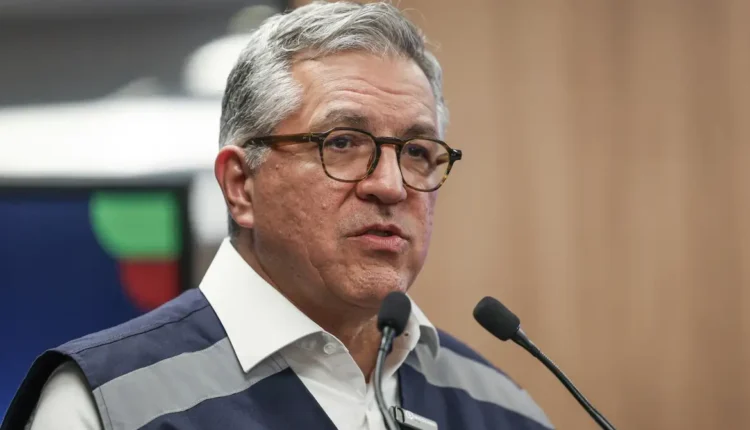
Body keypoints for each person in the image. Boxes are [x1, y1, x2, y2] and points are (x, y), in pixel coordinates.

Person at [2, 2, 554, 429]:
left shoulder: (502, 410)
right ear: (240, 185)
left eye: (415, 151)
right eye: (342, 142)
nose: (390, 185)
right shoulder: (106, 404)